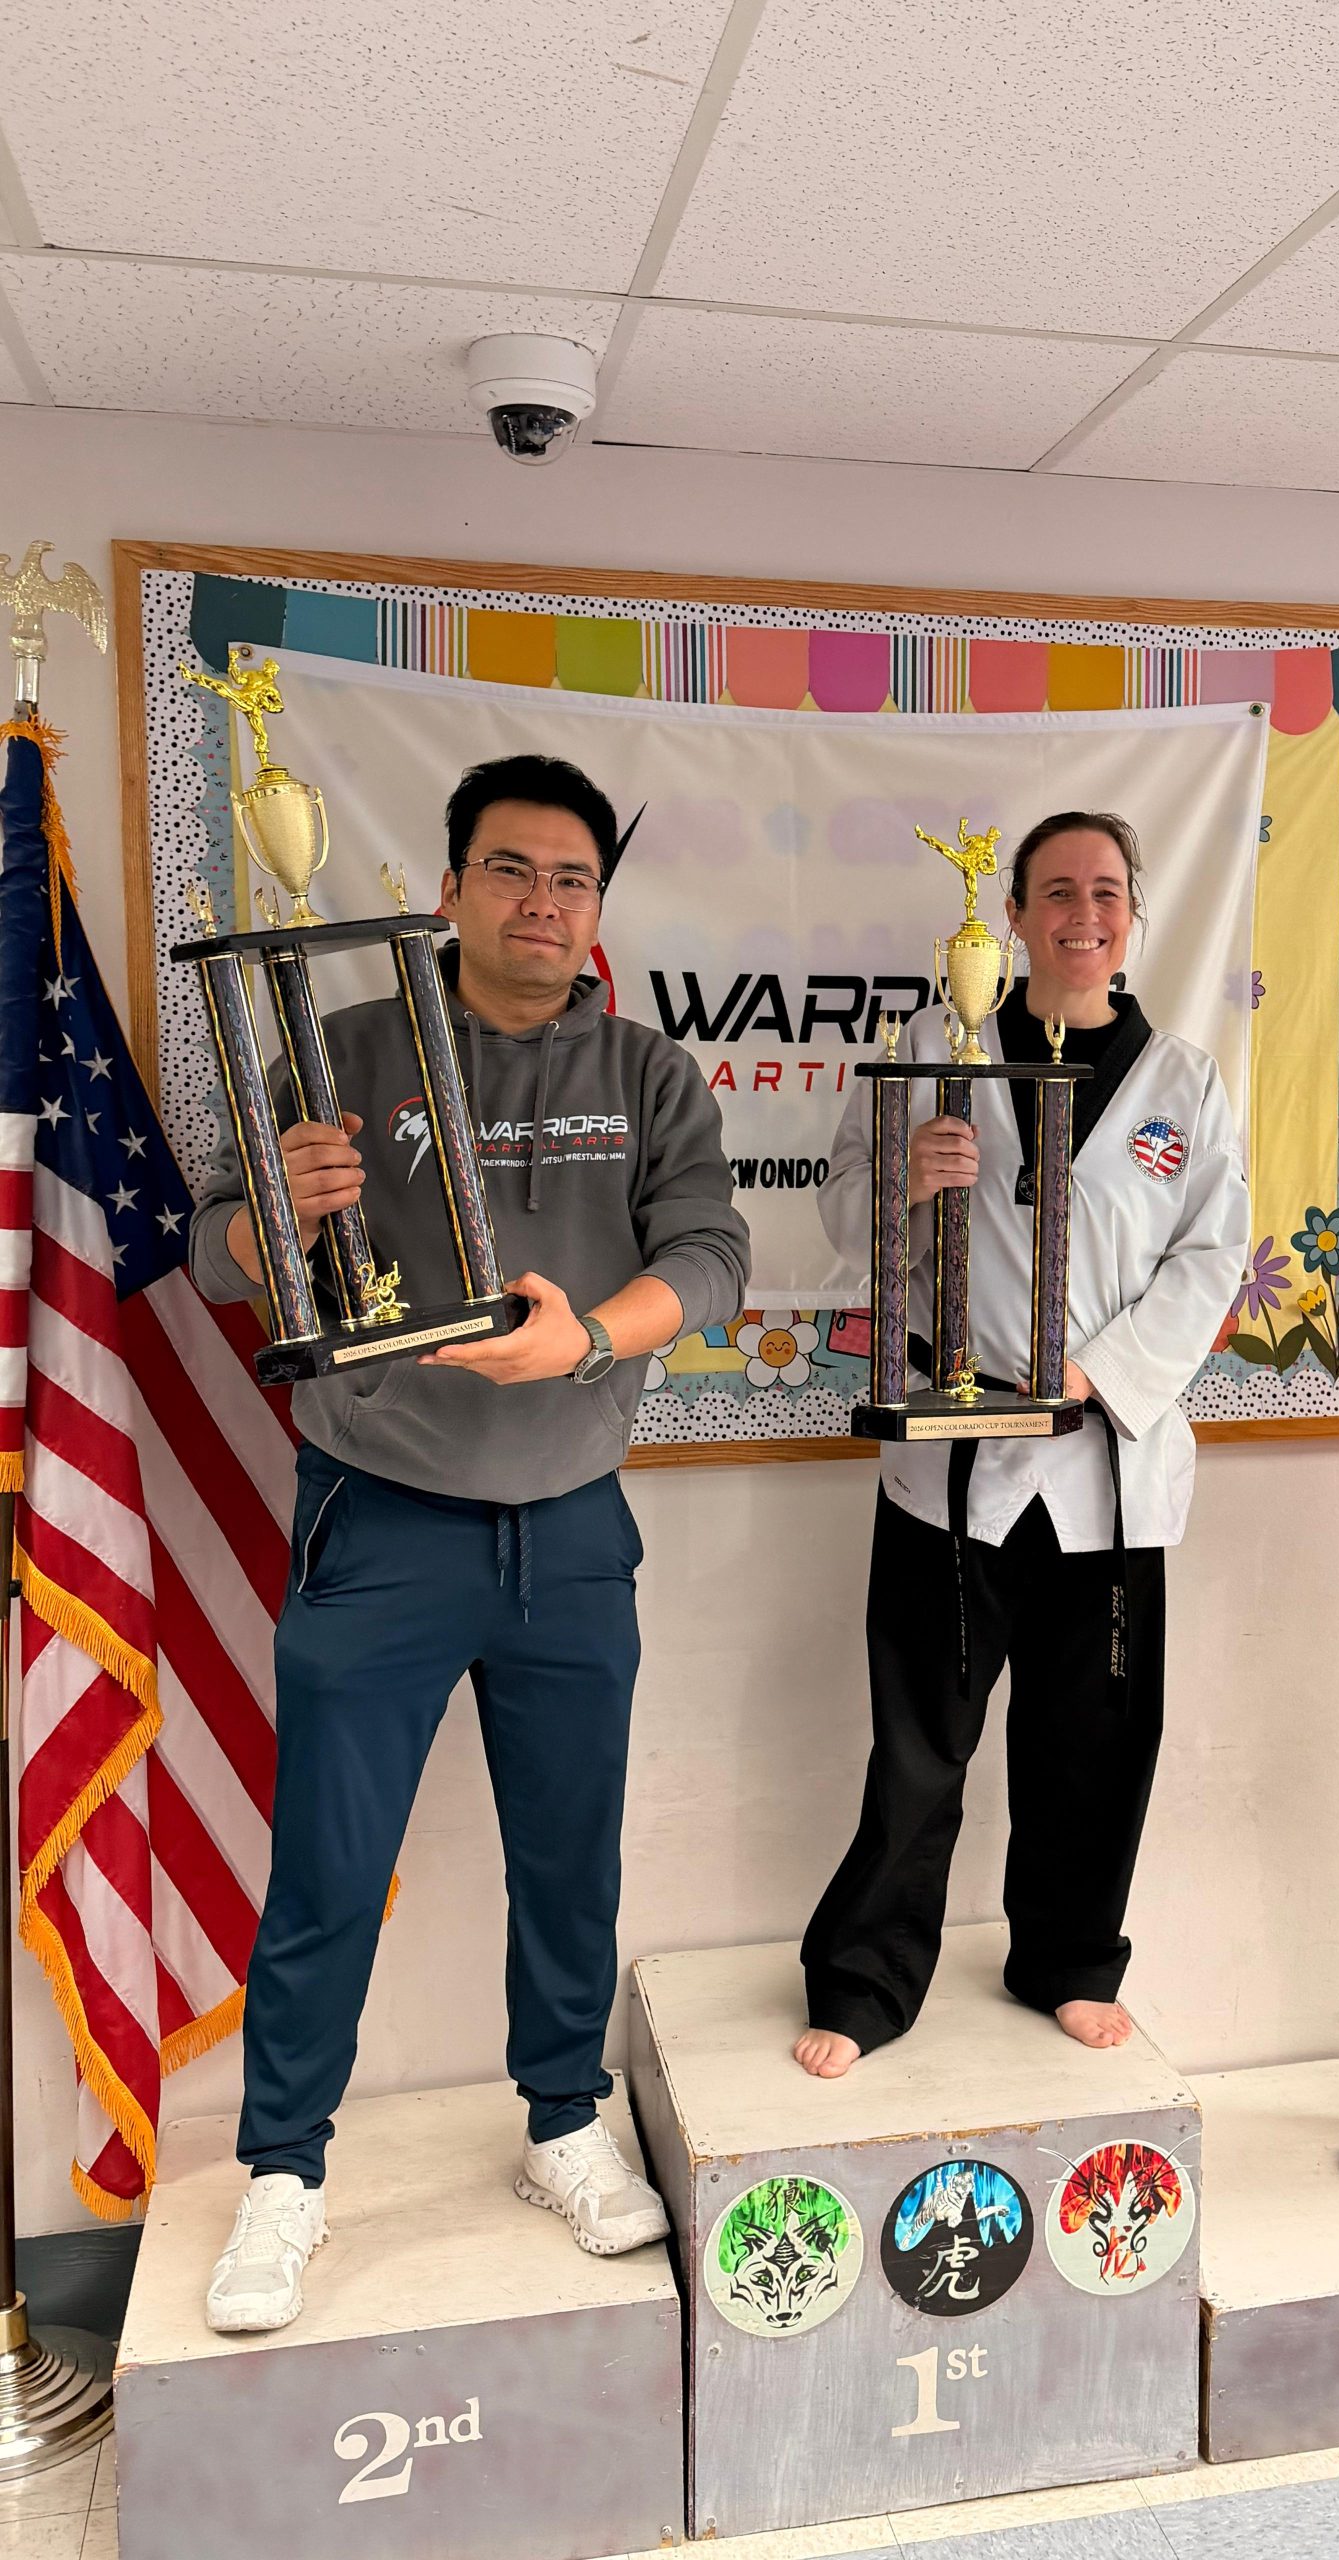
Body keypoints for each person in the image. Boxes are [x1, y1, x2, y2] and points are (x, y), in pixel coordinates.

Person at [190, 754, 750, 2332]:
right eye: (511, 869)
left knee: (569, 1857)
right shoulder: (343, 1047)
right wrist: (280, 1220)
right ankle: (284, 2170)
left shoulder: (646, 1071)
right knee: (329, 1864)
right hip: (380, 1519)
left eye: (572, 880)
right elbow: (213, 1246)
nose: (541, 903)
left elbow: (713, 1254)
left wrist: (589, 1340)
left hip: (571, 1531)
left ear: (597, 907)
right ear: (448, 889)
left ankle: (564, 2123)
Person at [793, 811, 1249, 2078]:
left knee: (1092, 1739)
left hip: (1108, 1457)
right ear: (1013, 915)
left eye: (1105, 891)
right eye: (1057, 891)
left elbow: (1211, 1258)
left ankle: (1068, 1961)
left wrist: (1102, 1372)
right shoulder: (931, 1049)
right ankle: (867, 1977)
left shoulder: (1184, 1083)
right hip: (953, 1455)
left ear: (1133, 915)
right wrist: (905, 1179)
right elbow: (840, 1213)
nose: (1081, 915)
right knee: (918, 1742)